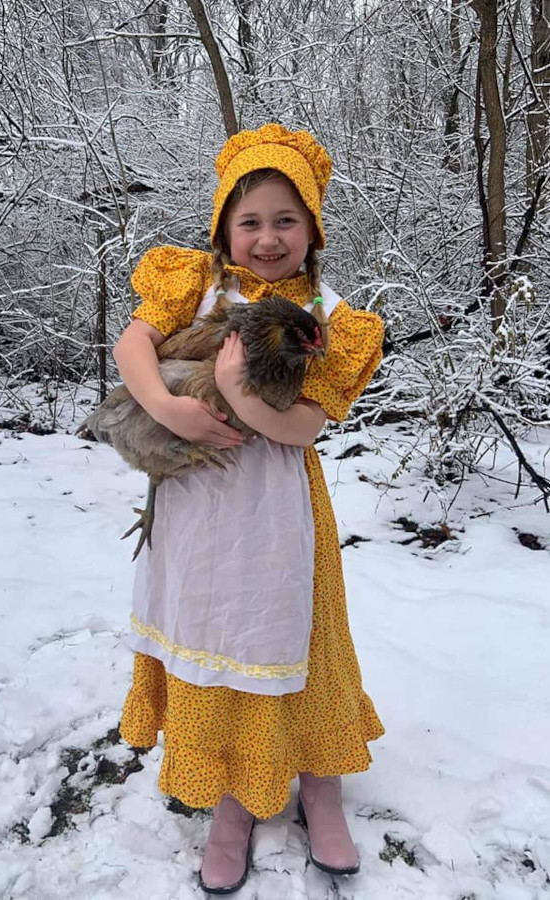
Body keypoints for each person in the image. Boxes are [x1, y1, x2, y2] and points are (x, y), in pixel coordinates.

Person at [113, 123, 385, 895]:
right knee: (220, 637)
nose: (267, 239)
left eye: (285, 220)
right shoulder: (193, 283)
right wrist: (169, 408)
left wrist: (235, 393)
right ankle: (235, 800)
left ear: (313, 230)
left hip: (277, 508)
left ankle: (319, 784)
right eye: (251, 221)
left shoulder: (334, 318)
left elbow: (304, 427)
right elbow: (131, 345)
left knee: (298, 638)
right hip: (199, 506)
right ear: (225, 229)